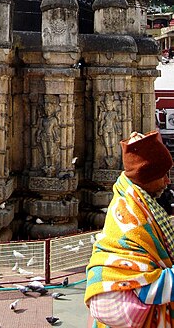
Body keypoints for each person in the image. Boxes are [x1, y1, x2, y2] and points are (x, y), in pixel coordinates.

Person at [85, 130, 174, 327]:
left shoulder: (135, 200)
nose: (167, 181)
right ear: (146, 177)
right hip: (133, 313)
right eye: (162, 175)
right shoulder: (132, 220)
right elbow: (145, 288)